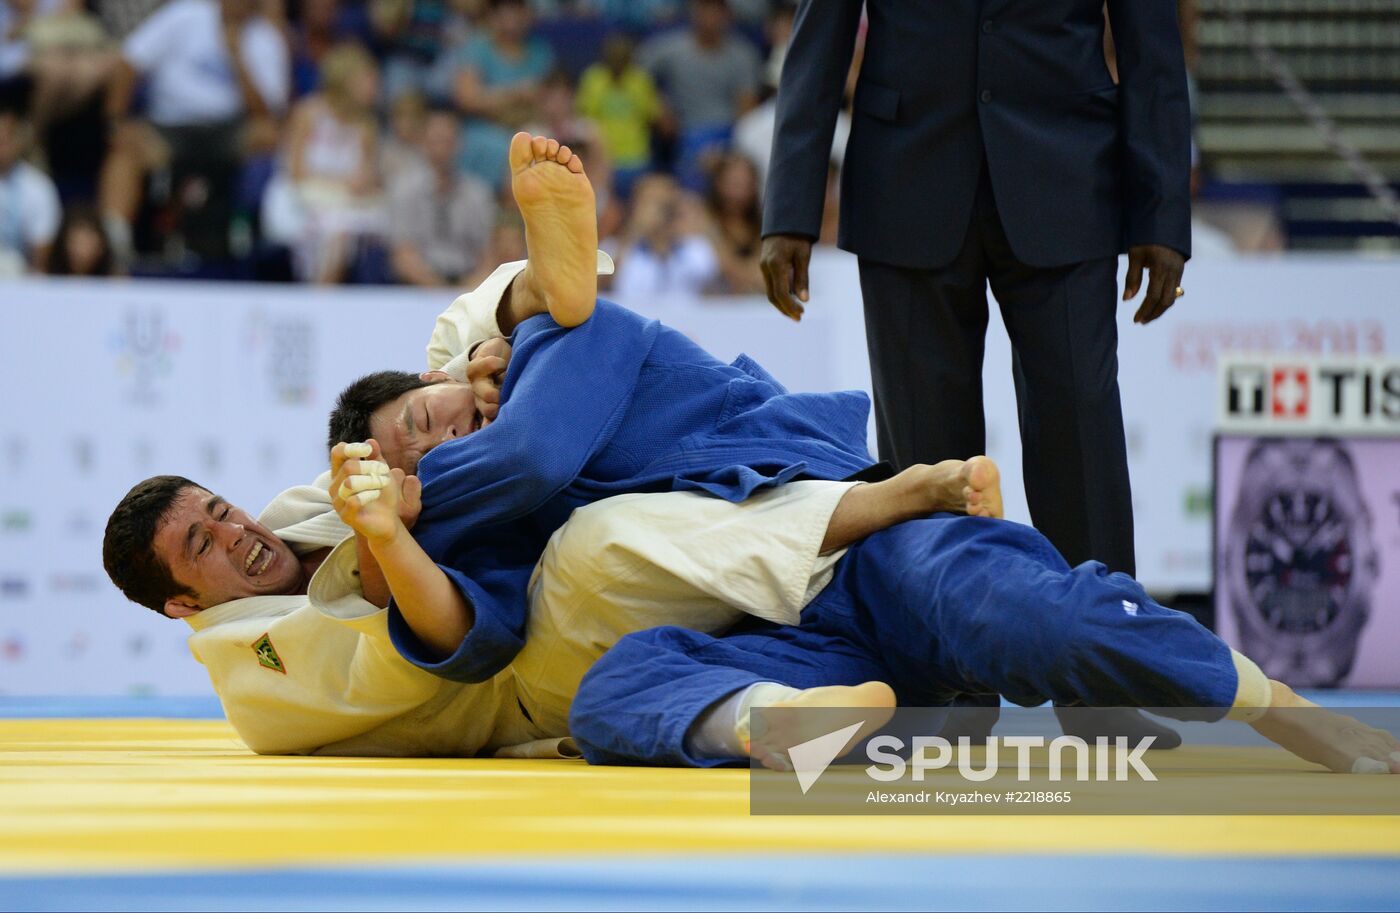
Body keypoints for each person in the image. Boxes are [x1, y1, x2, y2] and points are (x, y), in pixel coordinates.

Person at [761, 1, 1190, 577]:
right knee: (923, 458)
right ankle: (936, 652)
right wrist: (791, 206)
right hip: (905, 178)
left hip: (1067, 178)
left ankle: (1103, 639)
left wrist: (1159, 213)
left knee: (1083, 441)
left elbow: (1154, 47)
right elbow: (821, 32)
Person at [99, 0, 290, 263]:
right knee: (126, 149)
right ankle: (114, 246)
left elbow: (267, 116)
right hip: (171, 126)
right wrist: (115, 121)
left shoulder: (265, 38)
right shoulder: (186, 15)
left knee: (268, 135)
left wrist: (237, 57)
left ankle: (249, 237)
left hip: (229, 131)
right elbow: (128, 61)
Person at [278, 42, 386, 283]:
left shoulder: (366, 126)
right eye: (367, 78)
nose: (375, 85)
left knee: (382, 224)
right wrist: (342, 184)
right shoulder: (308, 113)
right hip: (302, 201)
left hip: (349, 204)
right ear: (346, 80)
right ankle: (322, 297)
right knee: (337, 230)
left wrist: (364, 182)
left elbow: (369, 177)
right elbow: (295, 172)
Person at [637, 0, 760, 191]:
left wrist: (731, 150)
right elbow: (636, 76)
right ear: (694, 12)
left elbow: (747, 108)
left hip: (728, 134)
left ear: (727, 15)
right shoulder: (669, 48)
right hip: (687, 134)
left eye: (716, 11)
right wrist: (659, 107)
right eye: (704, 9)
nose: (710, 17)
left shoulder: (742, 55)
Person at [387, 106, 496, 287]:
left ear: (459, 144)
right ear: (423, 143)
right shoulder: (404, 189)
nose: (441, 149)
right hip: (418, 286)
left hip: (468, 285)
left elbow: (487, 255)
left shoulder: (477, 193)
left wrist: (465, 291)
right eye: (435, 141)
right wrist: (438, 289)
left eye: (447, 141)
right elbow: (402, 256)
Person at [575, 34, 660, 199]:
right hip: (602, 158)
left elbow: (651, 116)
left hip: (636, 158)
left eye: (622, 58)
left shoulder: (640, 80)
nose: (617, 62)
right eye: (613, 58)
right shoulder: (593, 79)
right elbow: (584, 117)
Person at [0, 102, 61, 274]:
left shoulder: (38, 187)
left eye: (5, 140)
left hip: (21, 275)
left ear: (19, 141)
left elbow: (42, 254)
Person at [46, 202, 118, 276]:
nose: (82, 251)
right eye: (77, 242)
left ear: (101, 246)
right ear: (64, 244)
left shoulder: (117, 282)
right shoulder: (45, 279)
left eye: (89, 243)